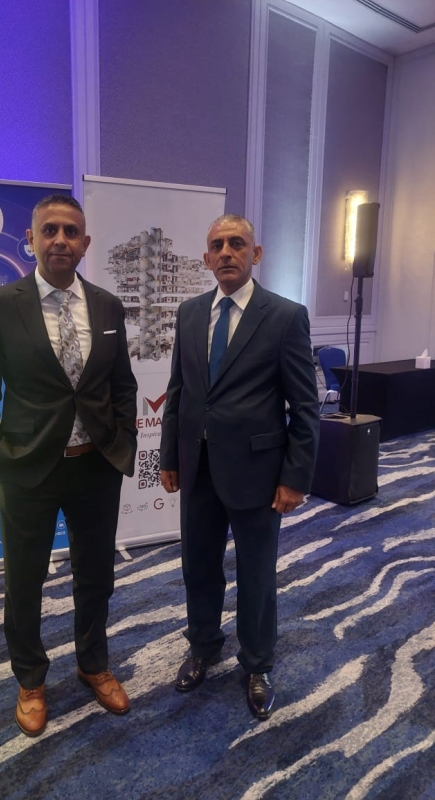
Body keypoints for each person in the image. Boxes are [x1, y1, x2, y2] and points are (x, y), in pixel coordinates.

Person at [0, 194, 138, 736]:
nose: (60, 240)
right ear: (32, 239)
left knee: (96, 574)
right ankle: (31, 680)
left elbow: (123, 384)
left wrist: (124, 441)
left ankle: (93, 664)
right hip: (28, 468)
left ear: (85, 243)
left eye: (71, 232)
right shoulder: (1, 304)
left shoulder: (108, 306)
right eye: (50, 230)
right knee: (25, 580)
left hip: (96, 466)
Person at [159, 214, 319, 720]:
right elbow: (179, 391)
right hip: (198, 467)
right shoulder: (189, 313)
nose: (226, 252)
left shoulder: (285, 316)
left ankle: (257, 663)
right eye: (217, 245)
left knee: (256, 574)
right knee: (198, 566)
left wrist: (295, 477)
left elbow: (305, 407)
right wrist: (169, 456)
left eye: (237, 243)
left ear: (256, 254)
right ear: (206, 258)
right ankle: (203, 645)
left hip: (258, 473)